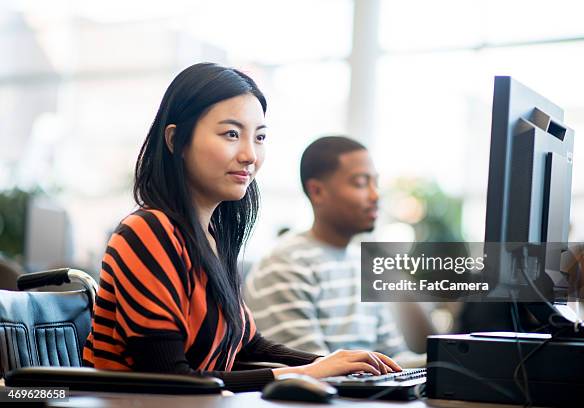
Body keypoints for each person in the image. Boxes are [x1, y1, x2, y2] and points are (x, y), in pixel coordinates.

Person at [82, 64, 401, 392]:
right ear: (176, 140)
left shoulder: (212, 239)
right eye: (231, 134)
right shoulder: (146, 233)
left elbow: (250, 344)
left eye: (259, 137)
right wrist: (305, 373)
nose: (250, 155)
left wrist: (331, 364)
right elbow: (171, 380)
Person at [244, 136, 425, 367]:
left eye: (375, 183)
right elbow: (314, 371)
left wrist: (448, 362)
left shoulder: (364, 265)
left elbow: (395, 360)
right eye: (361, 183)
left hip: (363, 394)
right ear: (317, 191)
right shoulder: (286, 264)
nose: (375, 195)